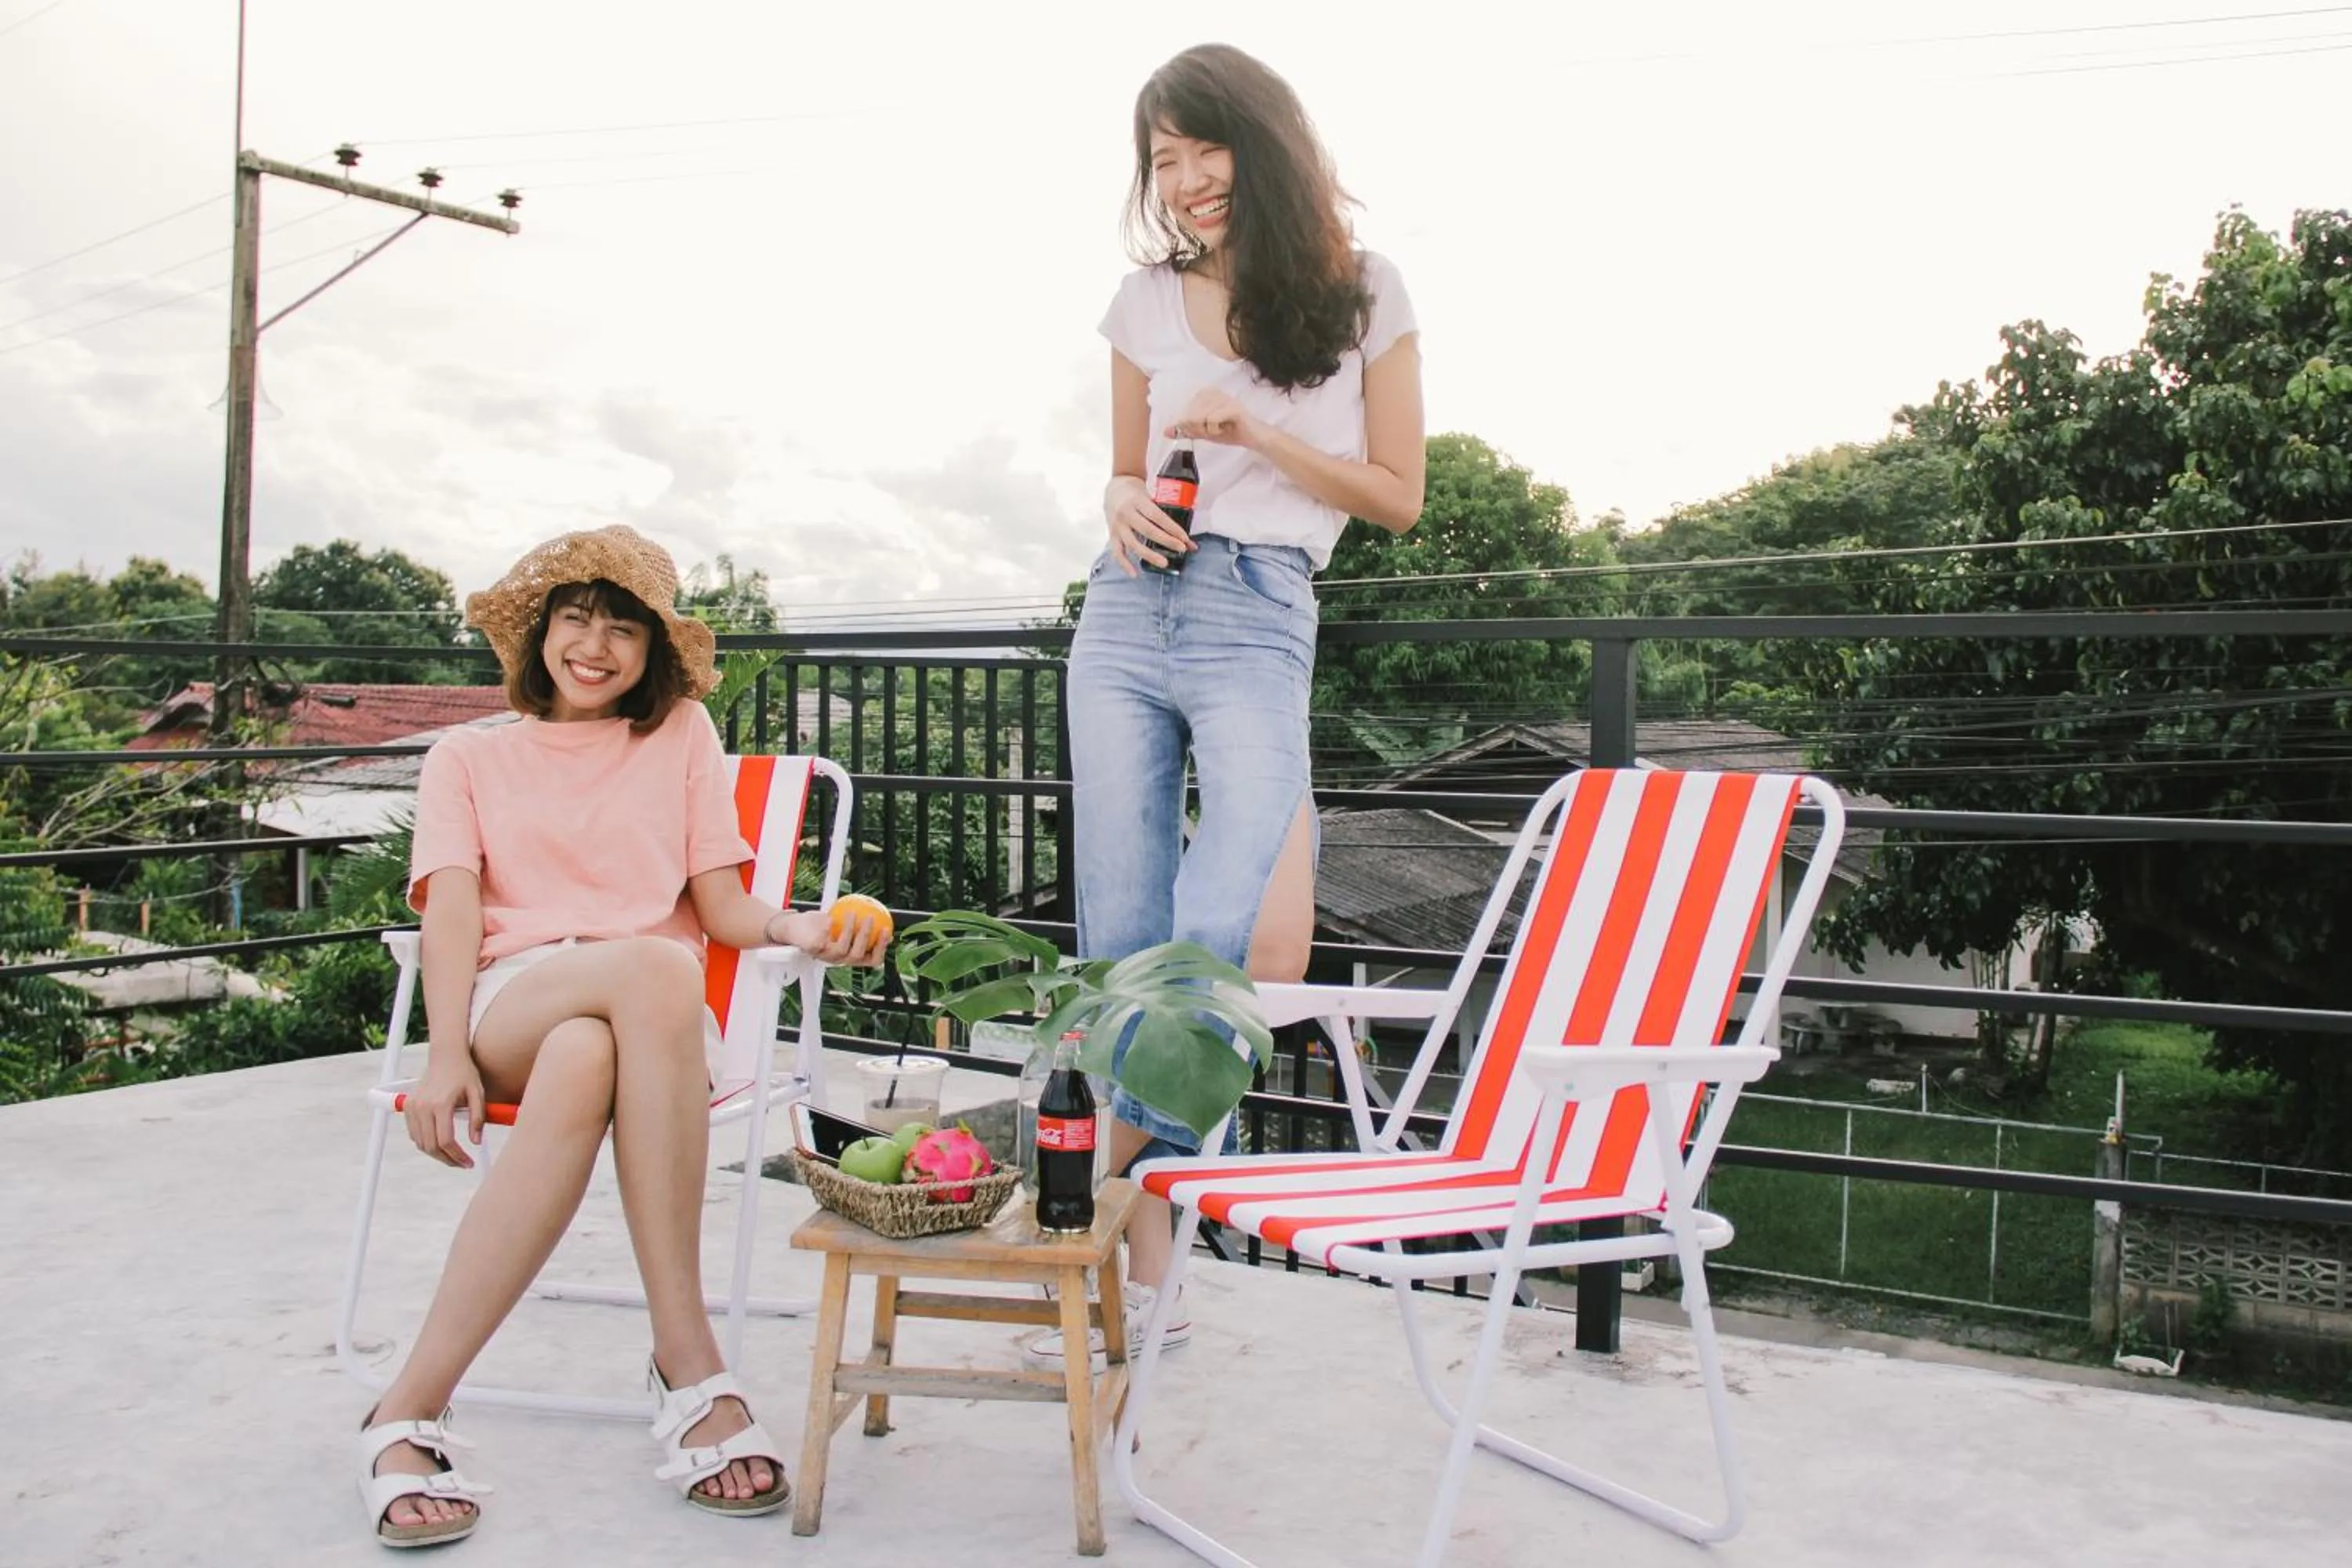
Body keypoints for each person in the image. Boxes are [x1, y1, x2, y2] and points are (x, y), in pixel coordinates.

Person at [356, 524, 890, 1548]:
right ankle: (689, 1364)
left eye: (621, 628)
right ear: (539, 634)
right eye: (573, 619)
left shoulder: (681, 734)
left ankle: (406, 1411)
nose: (593, 645)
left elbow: (726, 909)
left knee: (594, 1044)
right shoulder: (466, 756)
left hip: (642, 1025)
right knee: (650, 964)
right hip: (513, 997)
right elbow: (455, 912)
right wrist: (443, 1055)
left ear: (653, 649)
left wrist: (801, 929)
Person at [1040, 42, 1425, 1366]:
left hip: (1260, 607)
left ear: (1261, 143)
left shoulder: (1364, 290)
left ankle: (1085, 1204)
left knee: (1214, 926)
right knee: (1120, 932)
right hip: (1129, 602)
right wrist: (1118, 497)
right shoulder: (1140, 302)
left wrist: (1260, 438)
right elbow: (1115, 468)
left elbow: (1398, 495)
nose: (1189, 180)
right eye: (1164, 158)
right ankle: (1140, 1292)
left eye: (1207, 149)